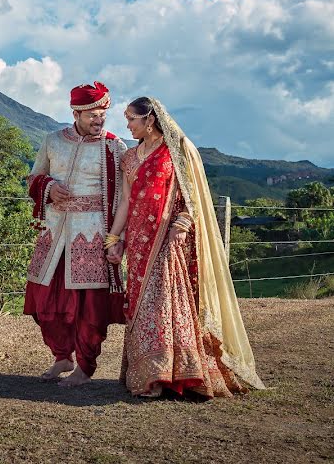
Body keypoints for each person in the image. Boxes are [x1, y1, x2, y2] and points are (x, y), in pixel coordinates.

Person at [106, 96, 266, 397]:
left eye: (131, 118)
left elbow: (194, 198)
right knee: (143, 303)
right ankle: (151, 374)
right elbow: (126, 202)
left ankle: (178, 373)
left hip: (169, 238)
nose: (127, 125)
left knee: (167, 301)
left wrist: (181, 225)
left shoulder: (177, 153)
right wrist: (115, 240)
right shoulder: (129, 158)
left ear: (149, 119)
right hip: (139, 244)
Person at [23, 82, 128, 386]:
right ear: (76, 113)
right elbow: (34, 176)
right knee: (45, 300)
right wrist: (50, 188)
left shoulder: (114, 147)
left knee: (89, 306)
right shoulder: (53, 141)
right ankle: (62, 356)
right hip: (54, 232)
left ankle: (85, 366)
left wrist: (117, 239)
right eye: (93, 115)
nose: (100, 120)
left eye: (103, 115)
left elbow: (123, 198)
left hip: (93, 235)